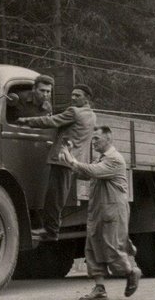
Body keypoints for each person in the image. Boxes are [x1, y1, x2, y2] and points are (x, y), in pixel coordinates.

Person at [59, 126, 141, 300]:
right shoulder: (101, 159)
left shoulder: (114, 159)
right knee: (92, 247)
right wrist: (69, 160)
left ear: (108, 140)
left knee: (112, 248)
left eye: (97, 138)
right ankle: (99, 288)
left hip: (113, 210)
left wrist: (72, 160)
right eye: (93, 138)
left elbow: (91, 171)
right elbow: (85, 172)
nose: (93, 142)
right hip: (98, 210)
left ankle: (131, 272)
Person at [17, 84, 98, 239]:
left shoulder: (74, 112)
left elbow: (51, 122)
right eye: (72, 95)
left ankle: (51, 231)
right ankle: (51, 229)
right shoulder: (92, 115)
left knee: (54, 197)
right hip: (73, 161)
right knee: (59, 196)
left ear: (87, 98)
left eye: (77, 95)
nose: (73, 98)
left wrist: (26, 121)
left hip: (62, 159)